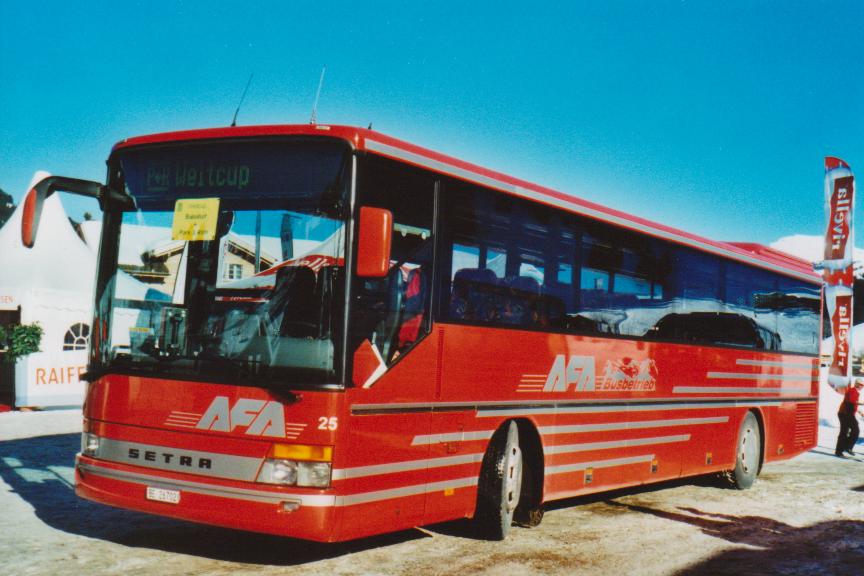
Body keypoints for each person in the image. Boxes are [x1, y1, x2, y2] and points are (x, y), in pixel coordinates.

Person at [835, 379, 863, 457]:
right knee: (854, 430)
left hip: (846, 413)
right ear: (856, 384)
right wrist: (861, 403)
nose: (861, 386)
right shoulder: (852, 391)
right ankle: (846, 447)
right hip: (845, 413)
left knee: (844, 432)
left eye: (862, 385)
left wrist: (860, 412)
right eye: (860, 385)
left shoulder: (855, 392)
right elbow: (851, 401)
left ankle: (840, 450)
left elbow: (853, 404)